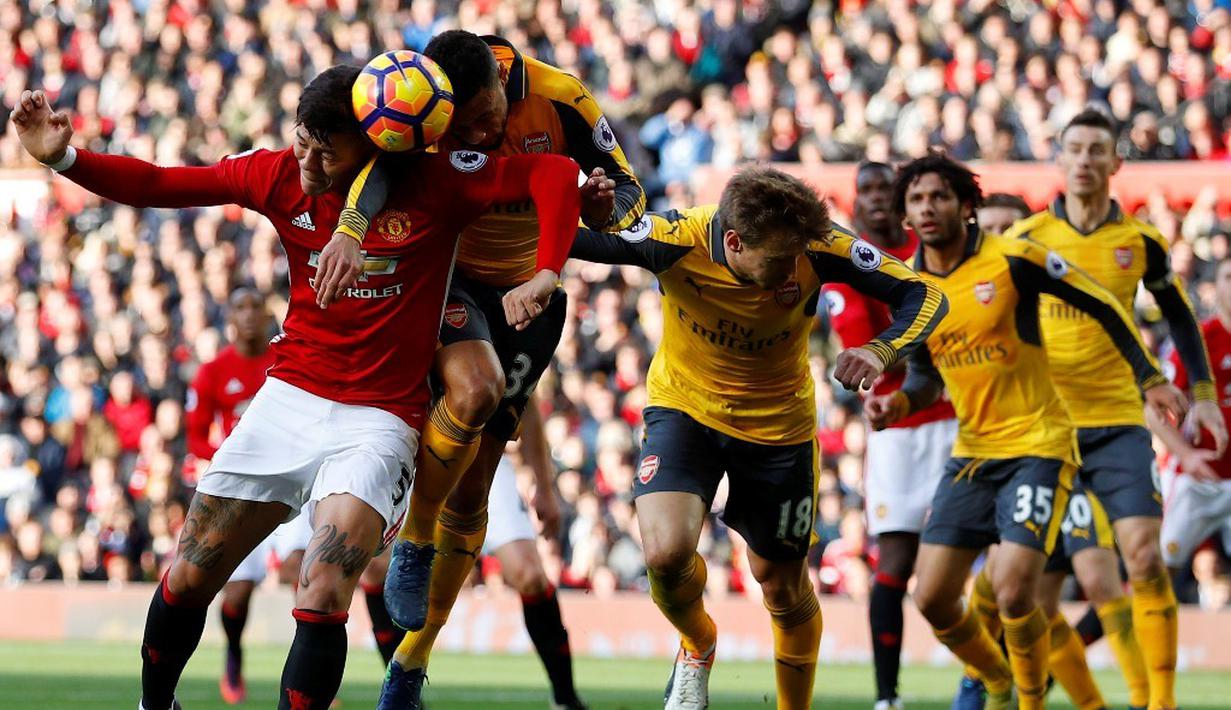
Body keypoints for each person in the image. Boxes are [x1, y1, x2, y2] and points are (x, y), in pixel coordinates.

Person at [10, 63, 581, 710]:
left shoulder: (434, 184)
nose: (307, 159)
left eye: (324, 149)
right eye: (302, 140)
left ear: (376, 145)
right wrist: (65, 157)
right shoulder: (277, 173)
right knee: (191, 574)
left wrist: (546, 271)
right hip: (288, 399)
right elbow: (162, 183)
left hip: (380, 421)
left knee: (325, 590)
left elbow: (555, 173)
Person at [467, 165, 943, 710]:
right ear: (735, 241)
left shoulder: (819, 245)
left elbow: (925, 295)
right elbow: (562, 232)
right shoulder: (673, 239)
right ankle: (697, 645)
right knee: (666, 554)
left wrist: (881, 350)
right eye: (780, 259)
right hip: (685, 412)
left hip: (778, 429)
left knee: (781, 587)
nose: (793, 269)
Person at [334, 30, 645, 640]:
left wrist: (607, 211)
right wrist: (351, 225)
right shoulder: (427, 104)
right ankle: (404, 543)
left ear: (505, 86)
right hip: (451, 281)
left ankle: (411, 662)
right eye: (465, 127)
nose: (478, 136)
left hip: (530, 296)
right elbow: (383, 167)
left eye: (487, 119)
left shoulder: (563, 99)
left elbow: (630, 193)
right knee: (471, 393)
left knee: (475, 488)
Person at [865, 152, 1186, 710]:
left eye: (938, 195)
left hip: (1040, 444)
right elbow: (924, 375)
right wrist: (897, 406)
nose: (927, 207)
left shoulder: (1014, 258)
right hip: (972, 452)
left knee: (1015, 589)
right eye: (915, 200)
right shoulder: (913, 287)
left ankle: (1030, 702)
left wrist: (1151, 377)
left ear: (966, 205)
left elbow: (1105, 303)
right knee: (933, 598)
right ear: (907, 217)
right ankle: (994, 677)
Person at [1002, 109, 1226, 710]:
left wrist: (1204, 397)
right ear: (1059, 159)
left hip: (1121, 423)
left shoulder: (1141, 241)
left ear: (1115, 163)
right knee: (1033, 592)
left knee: (1146, 556)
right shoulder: (1025, 241)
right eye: (1073, 149)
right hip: (1047, 431)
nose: (1084, 160)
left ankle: (1161, 702)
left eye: (1096, 150)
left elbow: (1179, 315)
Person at [189, 289, 400, 704]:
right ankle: (234, 652)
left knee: (303, 569)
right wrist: (227, 462)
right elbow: (196, 435)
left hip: (292, 479)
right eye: (241, 307)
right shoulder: (213, 372)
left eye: (256, 307)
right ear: (230, 317)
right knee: (236, 595)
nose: (250, 315)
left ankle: (308, 678)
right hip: (242, 485)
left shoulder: (287, 359)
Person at [822, 161, 956, 710]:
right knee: (894, 564)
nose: (877, 199)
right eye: (867, 191)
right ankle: (887, 697)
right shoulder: (845, 268)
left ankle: (996, 677)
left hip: (955, 417)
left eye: (886, 189)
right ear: (854, 202)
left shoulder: (931, 253)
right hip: (896, 428)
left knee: (986, 555)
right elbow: (865, 353)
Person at [479, 392, 586, 709]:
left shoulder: (523, 342)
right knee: (377, 568)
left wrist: (544, 485)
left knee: (530, 575)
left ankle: (565, 698)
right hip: (417, 446)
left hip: (483, 453)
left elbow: (528, 404)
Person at [1152, 257, 1231, 590]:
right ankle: (1136, 638)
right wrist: (1184, 453)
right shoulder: (1197, 339)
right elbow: (1151, 409)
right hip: (1196, 479)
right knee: (1158, 570)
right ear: (1216, 288)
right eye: (1229, 275)